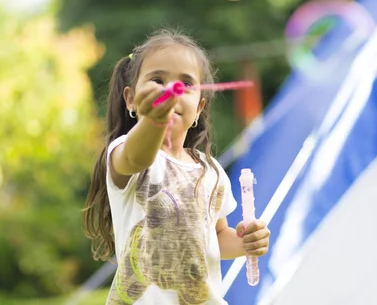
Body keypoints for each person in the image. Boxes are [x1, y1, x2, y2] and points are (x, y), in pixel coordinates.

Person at [82, 28, 270, 304]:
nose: (172, 91)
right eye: (158, 80)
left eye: (186, 84)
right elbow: (137, 157)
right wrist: (153, 121)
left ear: (198, 108)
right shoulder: (126, 152)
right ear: (131, 99)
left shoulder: (210, 169)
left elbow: (215, 237)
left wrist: (246, 242)